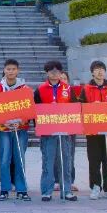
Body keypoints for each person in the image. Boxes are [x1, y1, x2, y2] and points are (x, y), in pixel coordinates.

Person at [34, 60, 77, 201]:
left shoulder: (68, 89)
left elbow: (75, 107)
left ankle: (67, 190)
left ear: (61, 72)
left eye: (57, 71)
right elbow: (35, 110)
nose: (54, 73)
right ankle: (47, 191)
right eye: (51, 71)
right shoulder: (40, 89)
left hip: (64, 131)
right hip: (48, 132)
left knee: (66, 160)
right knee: (48, 161)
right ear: (47, 73)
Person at [79, 60, 107, 200]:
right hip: (93, 131)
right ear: (92, 72)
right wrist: (92, 106)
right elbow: (81, 107)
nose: (100, 71)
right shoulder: (86, 89)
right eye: (97, 69)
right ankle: (95, 186)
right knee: (94, 159)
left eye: (102, 69)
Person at [0, 59, 31, 201]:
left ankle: (22, 189)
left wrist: (20, 121)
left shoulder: (25, 89)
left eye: (13, 69)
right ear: (4, 70)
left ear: (18, 71)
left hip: (20, 128)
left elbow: (29, 109)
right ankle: (4, 189)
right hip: (4, 129)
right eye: (8, 69)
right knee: (4, 159)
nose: (11, 71)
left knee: (19, 159)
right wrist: (4, 121)